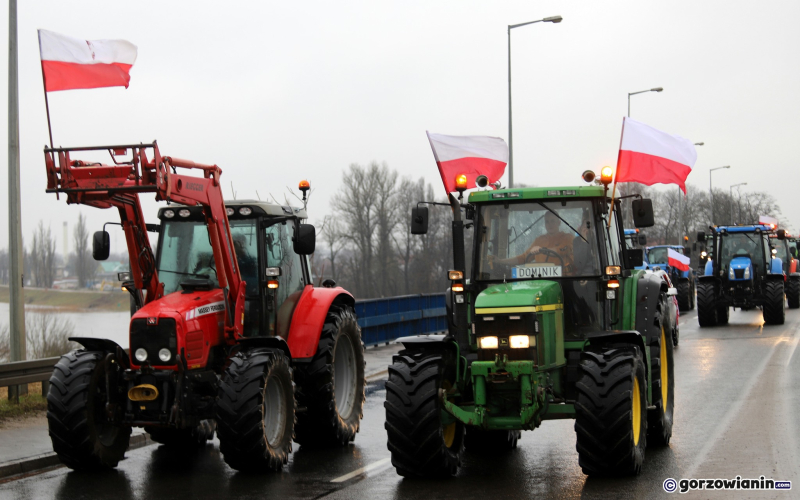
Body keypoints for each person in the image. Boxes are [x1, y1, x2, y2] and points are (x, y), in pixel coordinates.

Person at [490, 211, 575, 272]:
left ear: (559, 222)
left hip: (564, 280)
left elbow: (561, 250)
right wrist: (500, 261)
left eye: (553, 221)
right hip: (541, 281)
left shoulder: (567, 238)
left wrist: (542, 249)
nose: (550, 224)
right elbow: (523, 258)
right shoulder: (539, 240)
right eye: (547, 222)